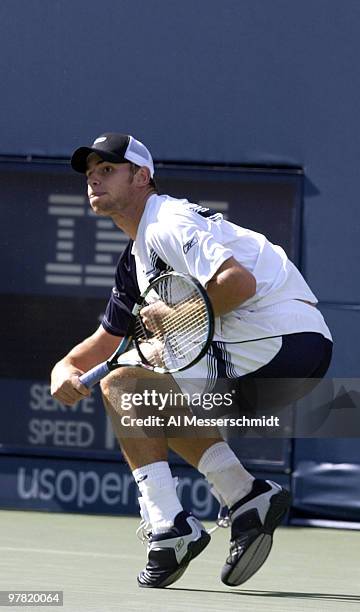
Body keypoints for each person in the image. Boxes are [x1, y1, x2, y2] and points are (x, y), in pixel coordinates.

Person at [51, 133, 333, 589]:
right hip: (289, 358)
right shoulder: (137, 259)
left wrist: (177, 318)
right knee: (136, 389)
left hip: (280, 345)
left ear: (142, 177)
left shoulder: (167, 222)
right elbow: (107, 341)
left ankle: (169, 528)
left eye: (107, 170)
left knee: (122, 386)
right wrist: (63, 367)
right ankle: (245, 494)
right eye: (89, 175)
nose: (94, 182)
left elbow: (237, 283)